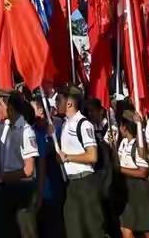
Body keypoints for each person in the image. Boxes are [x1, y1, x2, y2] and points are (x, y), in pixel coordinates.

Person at [58, 86, 103, 238]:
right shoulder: (65, 124)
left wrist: (68, 157)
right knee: (74, 230)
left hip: (86, 183)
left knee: (93, 230)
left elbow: (92, 156)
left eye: (59, 100)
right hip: (71, 185)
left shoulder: (83, 124)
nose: (56, 103)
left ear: (69, 103)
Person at [0, 90, 40, 238]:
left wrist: (5, 176)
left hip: (22, 189)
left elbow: (29, 169)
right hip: (7, 187)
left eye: (2, 105)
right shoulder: (5, 128)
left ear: (10, 108)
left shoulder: (26, 131)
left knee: (27, 232)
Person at [117, 111, 149, 238]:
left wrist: (119, 169)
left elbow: (143, 172)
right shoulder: (123, 143)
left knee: (148, 227)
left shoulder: (139, 145)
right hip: (127, 188)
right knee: (126, 227)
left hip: (141, 189)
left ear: (124, 127)